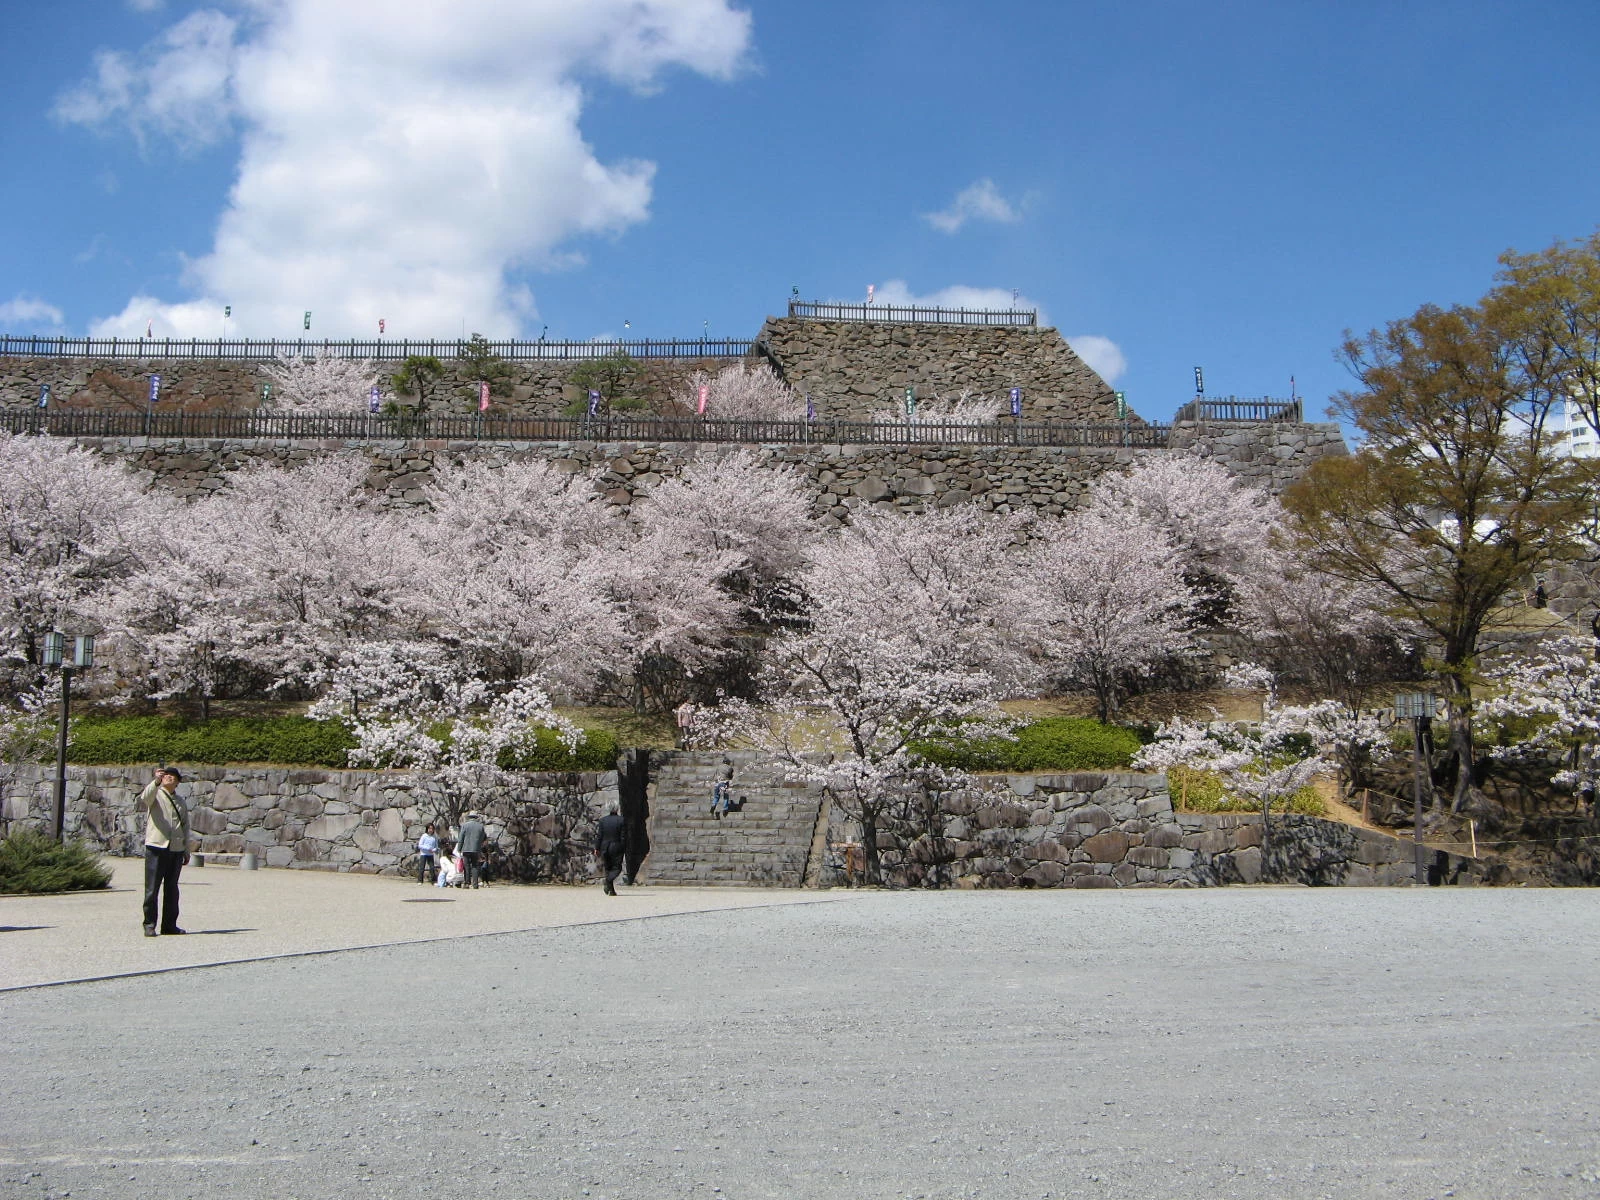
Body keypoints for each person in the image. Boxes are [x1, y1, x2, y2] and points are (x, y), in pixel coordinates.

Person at [140, 767, 191, 937]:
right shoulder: (155, 793)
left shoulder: (180, 802)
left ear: (177, 782)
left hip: (175, 848)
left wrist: (186, 849)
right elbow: (145, 797)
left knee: (172, 889)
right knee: (152, 889)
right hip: (156, 845)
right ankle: (149, 924)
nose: (169, 777)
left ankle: (169, 925)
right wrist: (155, 781)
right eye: (167, 775)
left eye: (173, 776)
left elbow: (185, 826)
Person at [596, 801, 626, 896]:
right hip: (616, 846)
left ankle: (611, 890)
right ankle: (608, 881)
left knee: (608, 868)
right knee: (617, 868)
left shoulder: (602, 820)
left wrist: (597, 848)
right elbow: (623, 836)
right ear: (617, 808)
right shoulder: (621, 820)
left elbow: (599, 836)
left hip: (605, 846)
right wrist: (624, 847)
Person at [457, 810, 487, 889]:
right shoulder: (480, 826)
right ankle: (475, 884)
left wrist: (459, 848)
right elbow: (482, 838)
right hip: (476, 849)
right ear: (476, 817)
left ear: (469, 817)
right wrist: (479, 846)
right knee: (475, 866)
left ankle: (467, 883)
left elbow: (461, 838)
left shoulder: (465, 825)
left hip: (466, 848)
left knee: (466, 866)